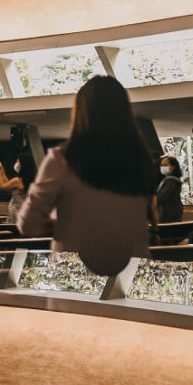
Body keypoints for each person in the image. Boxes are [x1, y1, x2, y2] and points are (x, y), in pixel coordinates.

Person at [16, 76, 155, 275]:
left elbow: (29, 224)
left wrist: (68, 221)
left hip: (76, 272)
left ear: (80, 112)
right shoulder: (141, 160)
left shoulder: (63, 160)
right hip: (134, 271)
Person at [0, 148, 38, 224]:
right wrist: (1, 170)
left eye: (18, 161)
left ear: (23, 164)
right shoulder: (29, 180)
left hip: (16, 213)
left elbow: (1, 186)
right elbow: (8, 183)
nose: (16, 163)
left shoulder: (18, 180)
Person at [153, 154, 184, 224]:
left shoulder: (171, 181)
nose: (162, 167)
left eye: (165, 165)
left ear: (173, 167)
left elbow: (162, 196)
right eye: (161, 165)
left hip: (168, 216)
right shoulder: (167, 180)